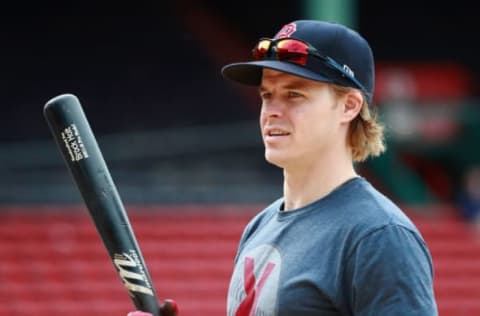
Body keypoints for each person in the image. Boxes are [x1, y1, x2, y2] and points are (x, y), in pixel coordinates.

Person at [129, 19, 438, 316]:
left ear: (349, 106)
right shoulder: (260, 226)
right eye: (267, 95)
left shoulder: (378, 236)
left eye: (294, 94)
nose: (271, 111)